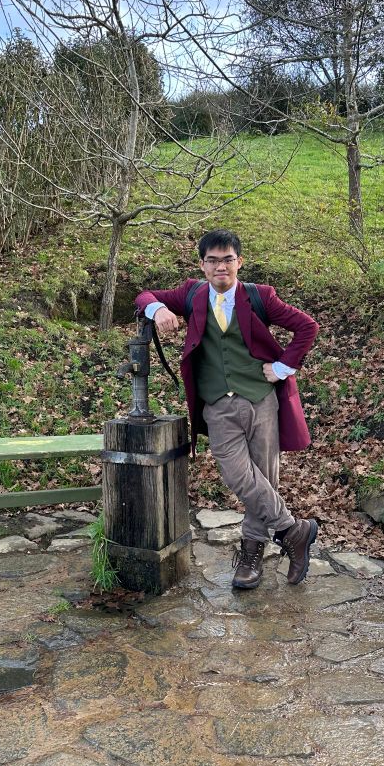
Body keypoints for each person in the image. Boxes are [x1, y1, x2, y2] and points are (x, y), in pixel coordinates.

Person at [135, 228, 320, 590]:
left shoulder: (260, 296)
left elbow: (306, 327)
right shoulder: (191, 294)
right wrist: (157, 310)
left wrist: (282, 367)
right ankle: (293, 531)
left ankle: (251, 556)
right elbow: (143, 295)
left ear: (239, 263)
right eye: (213, 260)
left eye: (228, 260)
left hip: (260, 401)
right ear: (203, 265)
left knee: (263, 482)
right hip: (217, 405)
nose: (221, 266)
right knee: (239, 476)